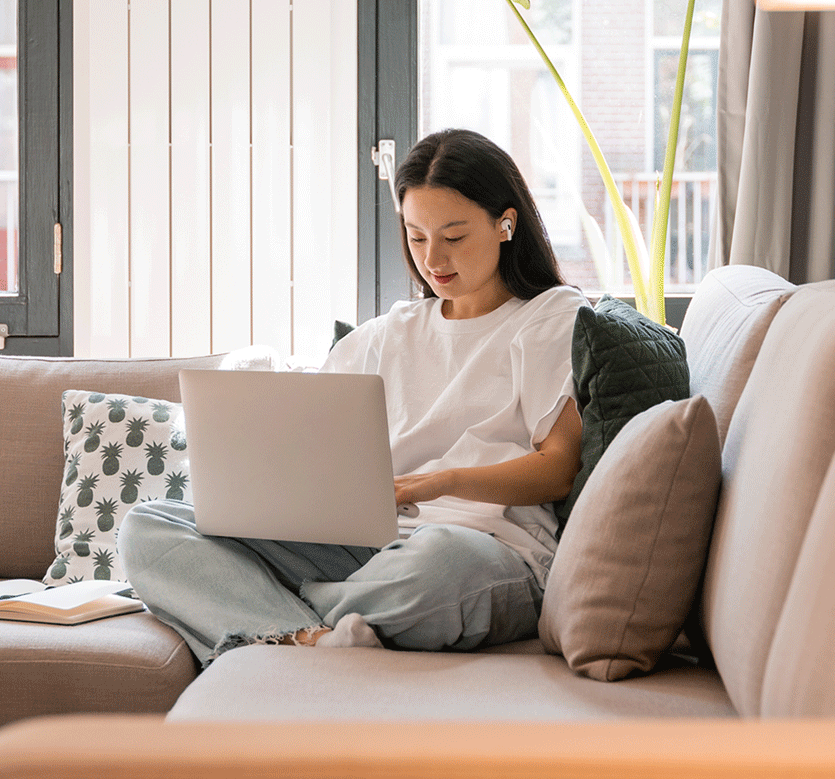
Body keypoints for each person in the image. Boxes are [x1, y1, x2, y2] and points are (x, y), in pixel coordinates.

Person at [119, 128, 588, 665]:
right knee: (148, 527)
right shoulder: (387, 334)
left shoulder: (550, 316)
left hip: (482, 549)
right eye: (416, 236)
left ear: (506, 224)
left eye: (453, 237)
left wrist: (440, 481)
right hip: (368, 545)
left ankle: (272, 615)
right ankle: (317, 638)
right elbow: (307, 441)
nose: (433, 258)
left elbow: (558, 469)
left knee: (437, 566)